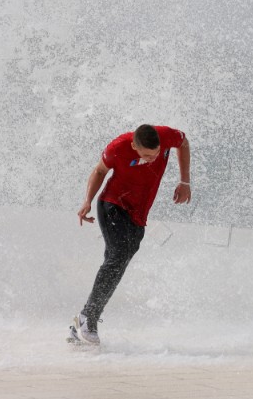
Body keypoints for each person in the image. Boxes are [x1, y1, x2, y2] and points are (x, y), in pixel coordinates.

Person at [69, 124, 192, 345]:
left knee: (119, 261)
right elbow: (99, 171)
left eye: (156, 155)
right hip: (112, 204)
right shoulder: (118, 147)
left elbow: (183, 143)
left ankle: (81, 323)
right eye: (146, 155)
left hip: (138, 213)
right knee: (118, 256)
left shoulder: (166, 136)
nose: (152, 159)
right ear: (134, 145)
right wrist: (87, 201)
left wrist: (185, 181)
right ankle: (88, 319)